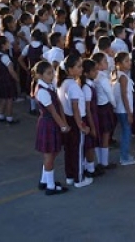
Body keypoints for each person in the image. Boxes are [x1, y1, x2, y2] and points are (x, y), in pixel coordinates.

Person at [33, 60, 70, 196]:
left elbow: (58, 105)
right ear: (40, 76)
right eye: (49, 73)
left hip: (52, 123)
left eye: (52, 72)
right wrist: (63, 126)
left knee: (53, 153)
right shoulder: (42, 91)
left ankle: (44, 181)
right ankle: (50, 186)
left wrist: (63, 122)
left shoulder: (49, 86)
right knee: (49, 155)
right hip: (49, 123)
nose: (52, 75)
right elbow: (53, 111)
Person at [57, 54, 93, 188]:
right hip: (76, 120)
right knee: (78, 150)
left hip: (67, 119)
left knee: (69, 150)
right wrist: (81, 126)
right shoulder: (73, 86)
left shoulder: (62, 83)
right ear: (70, 70)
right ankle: (79, 179)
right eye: (78, 66)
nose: (81, 69)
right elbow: (75, 108)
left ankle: (70, 176)